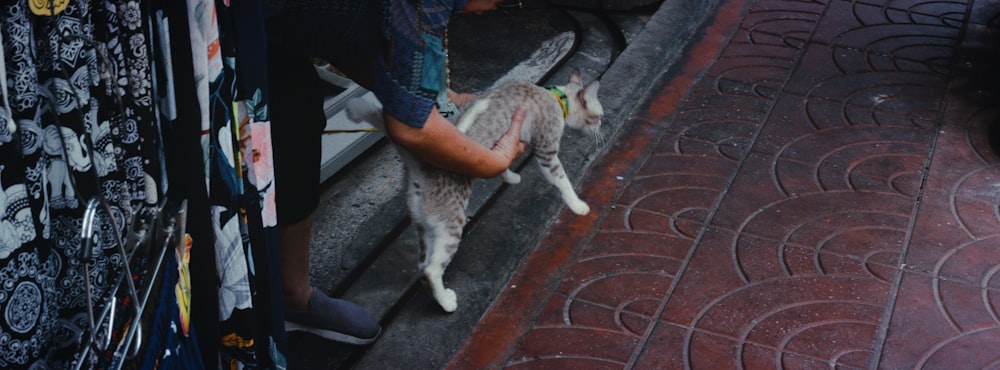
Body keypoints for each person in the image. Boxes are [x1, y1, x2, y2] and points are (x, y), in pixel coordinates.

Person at [264, 0, 526, 345]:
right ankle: (277, 297)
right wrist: (496, 162)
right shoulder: (426, 5)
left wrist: (442, 102)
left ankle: (285, 294)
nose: (494, 10)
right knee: (288, 115)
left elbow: (359, 40)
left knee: (296, 109)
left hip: (268, 24)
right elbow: (410, 129)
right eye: (503, 2)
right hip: (217, 28)